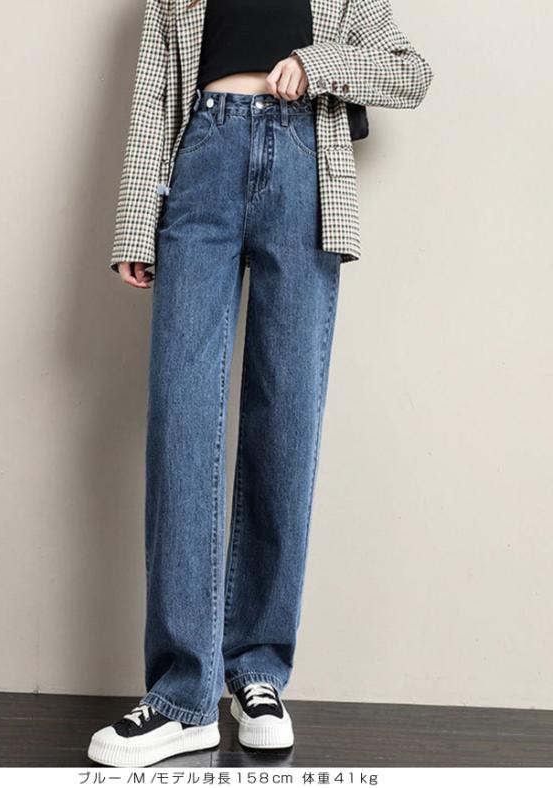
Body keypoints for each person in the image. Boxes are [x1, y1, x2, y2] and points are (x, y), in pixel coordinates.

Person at [88, 0, 433, 768]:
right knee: (181, 421)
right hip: (202, 160)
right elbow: (153, 96)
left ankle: (259, 674)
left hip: (304, 170)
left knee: (286, 423)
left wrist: (319, 63)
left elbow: (412, 74)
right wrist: (134, 223)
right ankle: (181, 695)